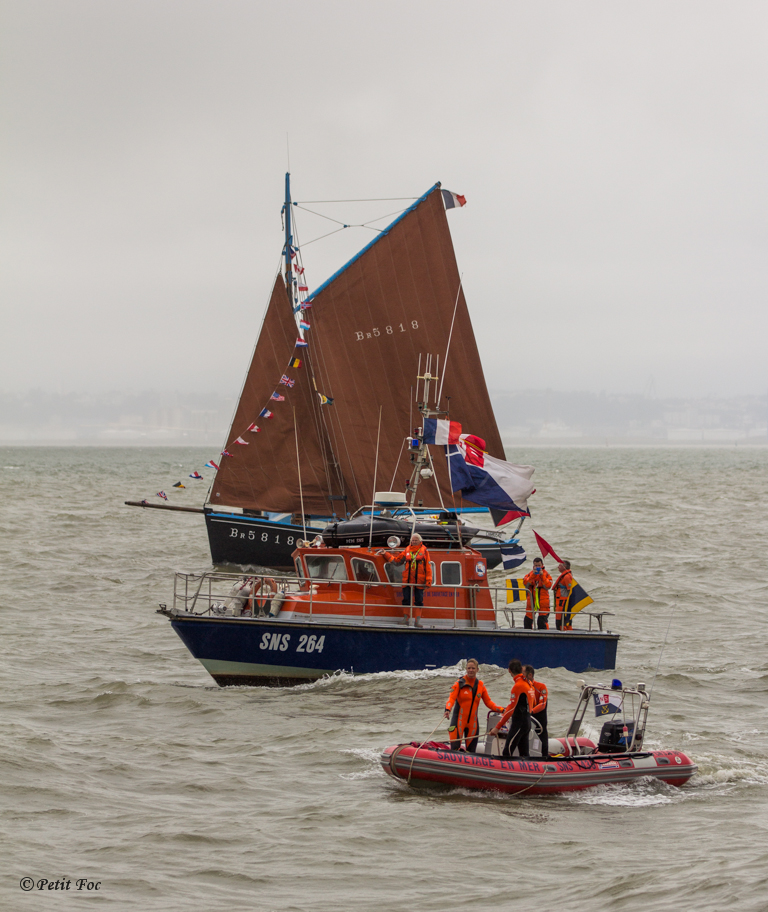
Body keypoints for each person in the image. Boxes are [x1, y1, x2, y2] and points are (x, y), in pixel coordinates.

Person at [443, 659, 505, 753]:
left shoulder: (481, 685)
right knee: (455, 751)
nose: (471, 670)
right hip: (458, 722)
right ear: (466, 669)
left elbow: (489, 703)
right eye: (469, 668)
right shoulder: (459, 683)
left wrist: (502, 710)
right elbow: (451, 699)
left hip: (473, 723)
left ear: (477, 670)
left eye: (473, 668)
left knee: (471, 752)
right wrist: (447, 709)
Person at [382, 533, 432, 626]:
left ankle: (417, 621)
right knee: (406, 600)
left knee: (419, 601)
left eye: (415, 540)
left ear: (420, 541)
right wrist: (386, 554)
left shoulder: (425, 552)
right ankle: (406, 619)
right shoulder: (407, 550)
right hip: (407, 580)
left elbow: (428, 567)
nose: (413, 542)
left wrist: (428, 581)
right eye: (412, 540)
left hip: (419, 581)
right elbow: (397, 561)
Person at [489, 659, 535, 758]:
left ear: (509, 670)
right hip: (527, 722)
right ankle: (526, 772)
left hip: (519, 723)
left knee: (507, 752)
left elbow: (510, 709)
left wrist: (497, 728)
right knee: (524, 754)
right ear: (521, 669)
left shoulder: (518, 685)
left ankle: (505, 771)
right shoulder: (528, 683)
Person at [524, 664, 550, 759]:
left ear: (530, 675)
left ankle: (544, 758)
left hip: (539, 720)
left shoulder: (541, 687)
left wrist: (530, 711)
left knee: (542, 742)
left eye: (523, 674)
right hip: (526, 720)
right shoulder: (521, 687)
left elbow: (542, 704)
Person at [523, 558, 553, 629]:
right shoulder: (530, 574)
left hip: (543, 601)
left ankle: (544, 635)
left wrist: (542, 576)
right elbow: (526, 584)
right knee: (527, 620)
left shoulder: (546, 575)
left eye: (539, 565)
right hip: (531, 600)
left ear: (542, 565)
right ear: (533, 565)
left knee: (542, 621)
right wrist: (533, 575)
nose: (537, 567)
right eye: (536, 565)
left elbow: (548, 586)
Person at [553, 560, 573, 630]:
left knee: (562, 620)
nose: (558, 567)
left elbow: (570, 590)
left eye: (560, 565)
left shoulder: (567, 577)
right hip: (560, 601)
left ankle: (564, 631)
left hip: (563, 602)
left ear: (564, 567)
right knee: (559, 619)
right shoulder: (565, 576)